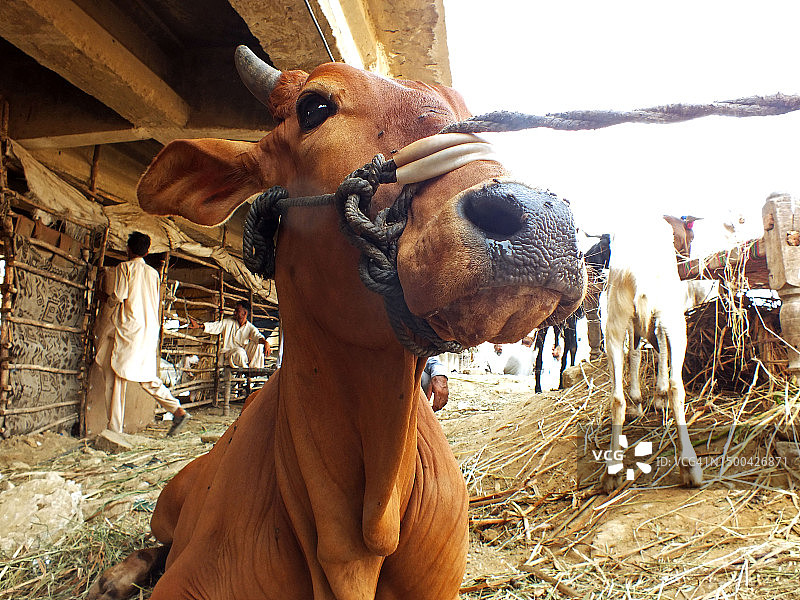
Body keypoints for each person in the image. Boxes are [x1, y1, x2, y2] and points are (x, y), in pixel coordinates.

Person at [95, 232, 189, 436]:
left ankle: (114, 431)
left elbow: (119, 295)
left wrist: (104, 298)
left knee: (117, 376)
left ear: (128, 249)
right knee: (146, 377)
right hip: (148, 332)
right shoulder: (153, 274)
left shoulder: (125, 268)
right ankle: (177, 410)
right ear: (147, 251)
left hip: (129, 330)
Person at [190, 300, 270, 369]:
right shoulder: (228, 322)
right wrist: (199, 326)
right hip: (229, 353)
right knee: (240, 352)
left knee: (259, 345)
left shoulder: (250, 327)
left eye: (237, 310)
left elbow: (257, 336)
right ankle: (246, 370)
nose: (234, 312)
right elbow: (215, 326)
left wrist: (265, 343)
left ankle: (254, 369)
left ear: (244, 313)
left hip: (242, 356)